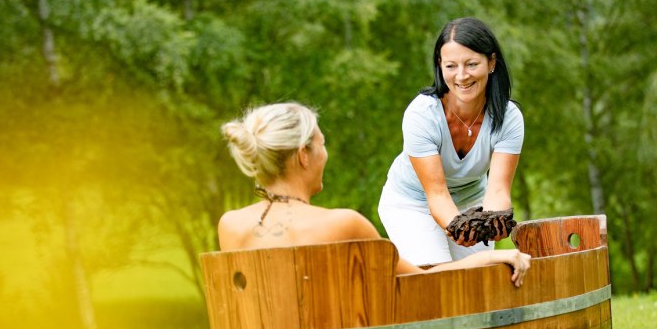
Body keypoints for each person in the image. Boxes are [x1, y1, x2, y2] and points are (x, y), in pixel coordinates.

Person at [218, 102, 530, 286]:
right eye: (322, 143)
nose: (325, 154)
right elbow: (422, 282)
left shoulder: (231, 227)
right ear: (303, 155)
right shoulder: (342, 225)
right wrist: (493, 257)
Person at [378, 17, 524, 266]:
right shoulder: (421, 114)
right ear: (439, 66)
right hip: (413, 202)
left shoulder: (509, 117)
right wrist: (457, 227)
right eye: (451, 66)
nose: (462, 76)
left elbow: (498, 189)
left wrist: (492, 220)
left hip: (471, 201)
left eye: (471, 64)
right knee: (436, 280)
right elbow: (436, 194)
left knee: (477, 282)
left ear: (491, 62)